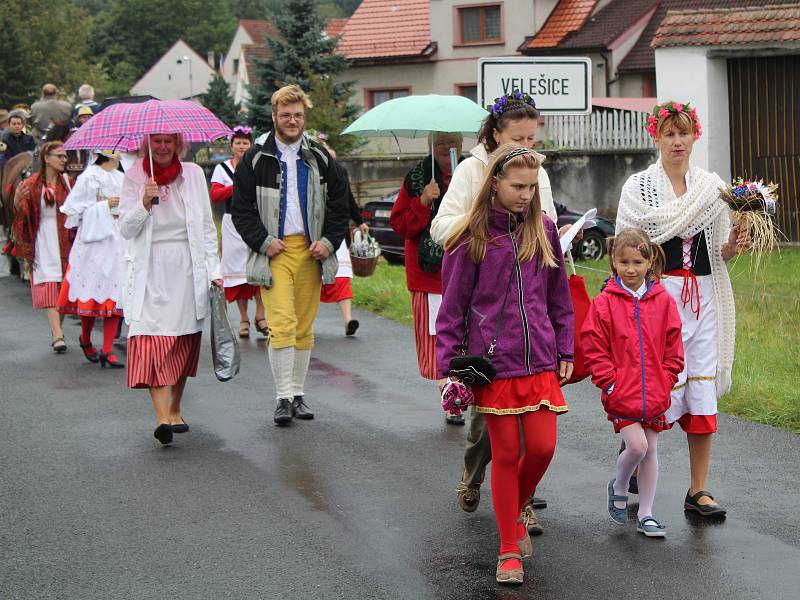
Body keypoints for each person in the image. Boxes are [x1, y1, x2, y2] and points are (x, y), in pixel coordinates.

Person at [436, 144, 574, 584]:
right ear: (494, 183)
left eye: (532, 188)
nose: (525, 195)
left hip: (540, 361)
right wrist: (448, 367)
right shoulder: (469, 237)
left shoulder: (544, 230)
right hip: (495, 365)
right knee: (507, 454)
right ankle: (508, 551)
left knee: (543, 449)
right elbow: (452, 308)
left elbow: (559, 297)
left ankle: (513, 508)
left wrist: (565, 348)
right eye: (518, 186)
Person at [616, 101, 750, 517]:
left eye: (684, 133)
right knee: (653, 385)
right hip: (659, 297)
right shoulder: (638, 188)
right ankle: (637, 461)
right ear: (655, 136)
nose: (678, 142)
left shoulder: (712, 188)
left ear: (696, 136)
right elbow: (626, 247)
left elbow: (718, 250)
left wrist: (733, 244)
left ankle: (698, 489)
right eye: (669, 134)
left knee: (701, 387)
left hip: (705, 297)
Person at [231, 84, 349, 426]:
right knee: (281, 323)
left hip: (311, 251)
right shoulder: (256, 159)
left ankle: (298, 394)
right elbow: (241, 209)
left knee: (304, 326)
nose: (292, 121)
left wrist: (329, 241)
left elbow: (340, 206)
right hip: (275, 250)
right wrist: (263, 241)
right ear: (274, 117)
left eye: (298, 115)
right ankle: (282, 397)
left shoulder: (320, 158)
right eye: (286, 116)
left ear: (304, 117)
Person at [119, 133, 222, 446]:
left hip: (186, 267)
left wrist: (214, 270)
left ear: (178, 145)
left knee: (181, 340)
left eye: (168, 142)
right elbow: (125, 228)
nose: (162, 147)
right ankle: (161, 417)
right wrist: (143, 202)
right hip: (150, 268)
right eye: (157, 142)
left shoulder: (191, 174)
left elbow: (206, 226)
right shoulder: (136, 175)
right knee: (152, 341)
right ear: (147, 145)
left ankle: (175, 408)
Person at [581, 228, 684, 538]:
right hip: (622, 393)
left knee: (651, 449)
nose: (630, 269)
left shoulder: (663, 301)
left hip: (655, 392)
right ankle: (620, 484)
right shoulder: (603, 303)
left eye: (638, 262)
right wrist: (609, 383)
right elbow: (593, 345)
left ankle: (647, 514)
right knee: (636, 446)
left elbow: (673, 344)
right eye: (624, 262)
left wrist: (667, 379)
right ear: (613, 261)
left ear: (650, 261)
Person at [390, 132, 465, 425]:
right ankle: (451, 393)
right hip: (429, 275)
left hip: (465, 269)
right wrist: (422, 200)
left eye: (454, 142)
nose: (449, 148)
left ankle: (465, 385)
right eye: (443, 142)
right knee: (438, 338)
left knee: (466, 336)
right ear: (433, 146)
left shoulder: (470, 174)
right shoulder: (417, 178)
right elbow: (400, 225)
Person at [56, 150, 126, 368]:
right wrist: (104, 205)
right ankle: (85, 339)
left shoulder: (121, 177)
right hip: (95, 241)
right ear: (109, 153)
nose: (122, 155)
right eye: (118, 152)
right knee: (92, 292)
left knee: (115, 293)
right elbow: (77, 210)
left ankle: (107, 349)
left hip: (117, 236)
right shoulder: (89, 176)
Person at [11, 141, 74, 352]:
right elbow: (21, 215)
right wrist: (19, 202)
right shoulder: (30, 184)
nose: (64, 160)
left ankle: (57, 329)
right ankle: (58, 335)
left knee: (63, 287)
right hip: (43, 239)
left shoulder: (69, 182)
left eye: (65, 156)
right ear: (46, 158)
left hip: (65, 239)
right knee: (48, 284)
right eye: (59, 156)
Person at [210, 125, 267, 339]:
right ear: (232, 145)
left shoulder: (258, 166)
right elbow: (215, 195)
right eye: (238, 143)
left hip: (255, 221)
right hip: (232, 223)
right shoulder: (222, 169)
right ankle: (244, 318)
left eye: (245, 143)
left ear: (251, 145)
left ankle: (261, 315)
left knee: (260, 267)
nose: (241, 146)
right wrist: (236, 187)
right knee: (237, 273)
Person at [315, 137, 368, 337]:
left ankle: (348, 320)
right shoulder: (308, 173)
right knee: (311, 280)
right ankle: (304, 324)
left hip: (336, 232)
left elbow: (348, 199)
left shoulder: (340, 173)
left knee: (342, 276)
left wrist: (359, 219)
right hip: (313, 234)